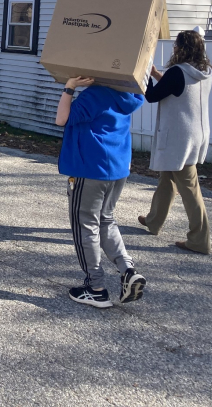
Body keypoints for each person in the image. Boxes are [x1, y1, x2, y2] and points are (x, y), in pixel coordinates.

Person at [56, 77, 146, 308]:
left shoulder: (95, 95)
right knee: (106, 219)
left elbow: (61, 119)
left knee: (85, 223)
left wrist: (70, 87)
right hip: (118, 167)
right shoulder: (129, 95)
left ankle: (95, 287)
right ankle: (128, 270)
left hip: (91, 167)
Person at [138, 30, 212, 254]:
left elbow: (152, 96)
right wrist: (156, 75)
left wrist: (144, 76)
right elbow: (178, 89)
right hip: (197, 133)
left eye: (175, 45)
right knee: (167, 178)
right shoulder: (204, 71)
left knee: (190, 188)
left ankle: (200, 240)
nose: (173, 48)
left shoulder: (177, 72)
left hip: (179, 137)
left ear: (181, 48)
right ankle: (154, 221)